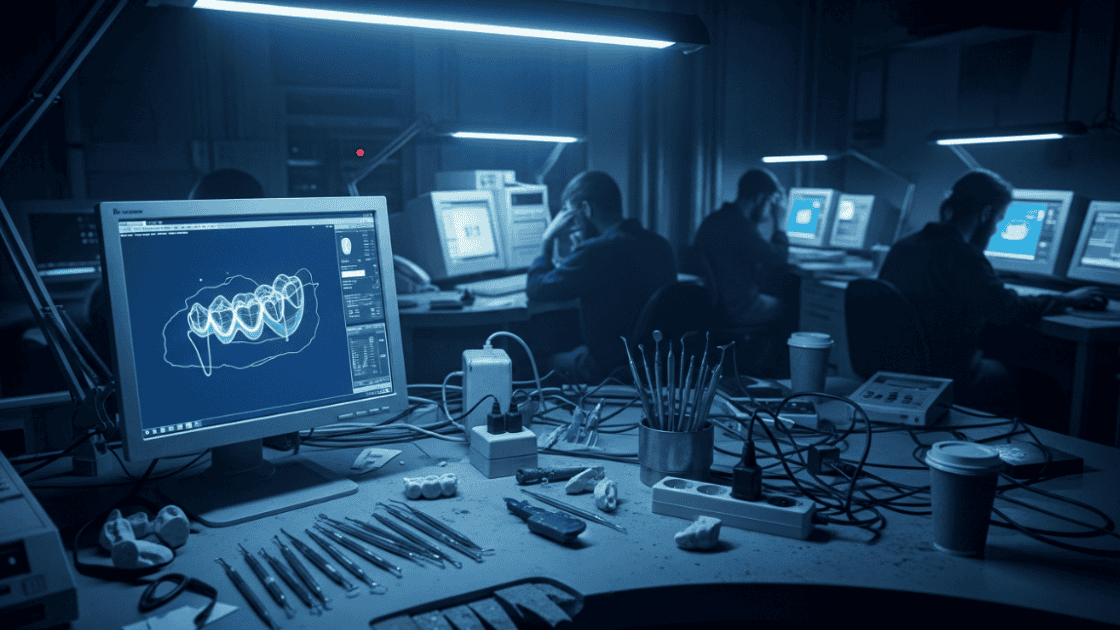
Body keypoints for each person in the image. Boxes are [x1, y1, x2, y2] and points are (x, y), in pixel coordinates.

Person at [878, 169, 1103, 418]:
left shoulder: (904, 246)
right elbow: (1007, 310)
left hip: (900, 368)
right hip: (947, 374)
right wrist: (1068, 299)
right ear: (986, 214)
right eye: (999, 219)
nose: (996, 229)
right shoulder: (960, 254)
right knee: (1047, 384)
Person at [526, 171, 676, 382]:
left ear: (586, 209)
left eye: (569, 214)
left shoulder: (597, 252)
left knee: (532, 356)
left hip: (609, 368)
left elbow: (537, 289)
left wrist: (547, 240)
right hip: (654, 364)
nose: (569, 225)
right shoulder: (661, 245)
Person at [692, 168, 790, 329]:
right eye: (769, 202)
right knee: (789, 307)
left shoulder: (717, 219)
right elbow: (778, 258)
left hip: (719, 305)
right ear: (759, 198)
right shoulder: (739, 226)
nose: (769, 211)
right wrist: (780, 225)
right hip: (739, 307)